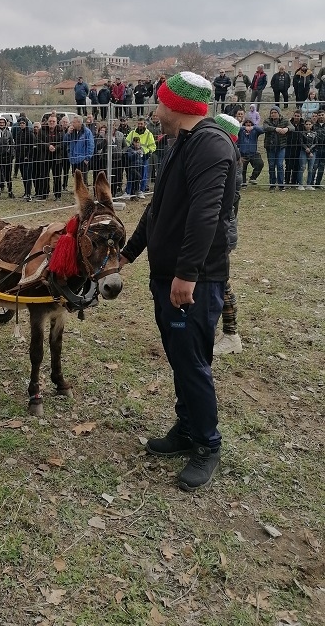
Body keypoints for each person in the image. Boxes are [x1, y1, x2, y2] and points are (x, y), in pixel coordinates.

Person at [120, 72, 237, 492]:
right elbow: (159, 209)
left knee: (191, 360)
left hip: (193, 280)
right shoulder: (179, 144)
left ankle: (207, 444)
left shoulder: (210, 144)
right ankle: (187, 428)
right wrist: (129, 253)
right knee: (180, 356)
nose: (155, 111)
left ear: (177, 106)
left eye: (159, 103)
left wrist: (187, 274)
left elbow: (206, 215)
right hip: (166, 274)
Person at [212, 113, 244, 356]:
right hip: (222, 226)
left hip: (221, 228)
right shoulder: (229, 154)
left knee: (220, 282)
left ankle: (232, 335)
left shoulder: (228, 157)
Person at [263, 106, 293, 190]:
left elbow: (292, 127)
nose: (273, 114)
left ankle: (281, 184)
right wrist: (276, 129)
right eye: (271, 113)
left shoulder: (285, 120)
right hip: (270, 147)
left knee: (280, 165)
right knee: (271, 165)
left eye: (275, 112)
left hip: (281, 147)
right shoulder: (267, 121)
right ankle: (272, 184)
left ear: (278, 113)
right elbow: (265, 127)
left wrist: (287, 129)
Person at [125, 117, 156, 194]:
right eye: (138, 123)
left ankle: (141, 190)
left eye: (141, 123)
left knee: (143, 175)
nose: (140, 125)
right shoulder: (132, 133)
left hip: (144, 157)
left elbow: (153, 146)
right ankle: (129, 191)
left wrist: (147, 152)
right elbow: (126, 143)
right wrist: (131, 150)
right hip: (133, 157)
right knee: (131, 175)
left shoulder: (149, 134)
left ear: (144, 124)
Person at [64, 114, 94, 186]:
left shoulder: (86, 132)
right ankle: (78, 194)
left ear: (79, 123)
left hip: (82, 159)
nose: (72, 124)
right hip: (73, 159)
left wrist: (87, 158)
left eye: (74, 122)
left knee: (83, 180)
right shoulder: (71, 131)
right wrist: (68, 133)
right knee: (76, 179)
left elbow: (90, 145)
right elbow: (65, 142)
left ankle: (84, 195)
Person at [0, 116, 15, 198]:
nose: (1, 124)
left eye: (3, 123)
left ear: (5, 124)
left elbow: (12, 145)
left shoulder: (9, 133)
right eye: (0, 123)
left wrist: (11, 155)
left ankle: (10, 191)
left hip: (7, 157)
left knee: (8, 175)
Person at [237, 117, 264, 186]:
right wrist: (244, 128)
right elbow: (236, 129)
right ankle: (243, 183)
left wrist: (254, 127)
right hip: (242, 154)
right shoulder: (241, 131)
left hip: (253, 153)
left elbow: (262, 130)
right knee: (242, 169)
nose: (248, 124)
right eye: (246, 122)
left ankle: (253, 178)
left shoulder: (255, 131)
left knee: (260, 164)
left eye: (250, 122)